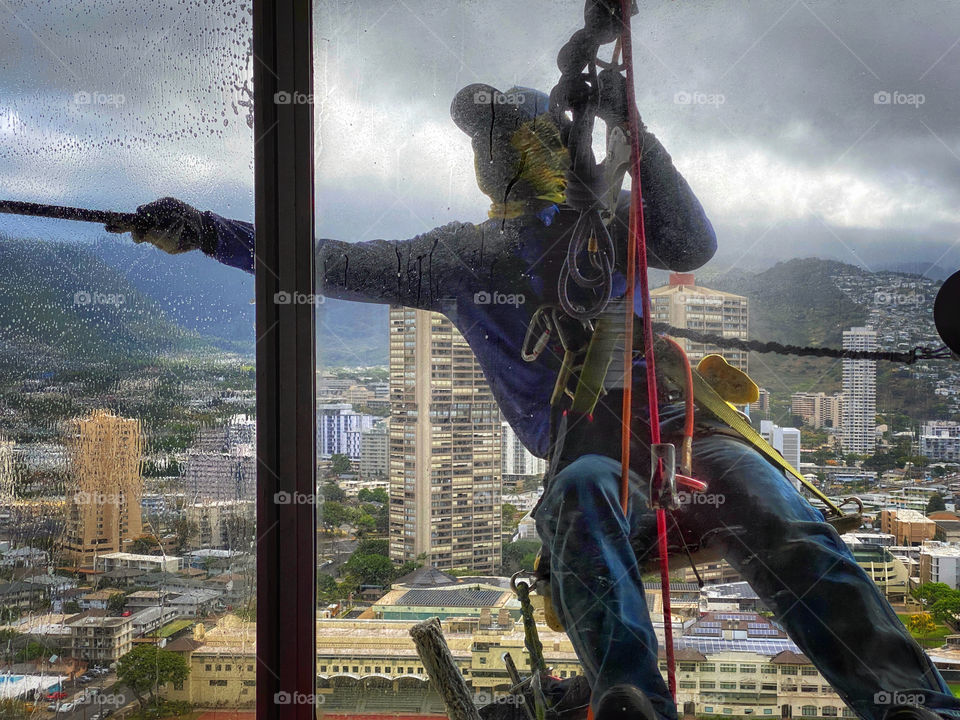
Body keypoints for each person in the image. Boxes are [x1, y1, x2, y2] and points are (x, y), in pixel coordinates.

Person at [106, 83, 960, 720]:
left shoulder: (608, 225)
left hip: (675, 438)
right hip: (599, 458)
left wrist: (638, 135)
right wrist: (214, 232)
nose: (540, 156)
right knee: (586, 491)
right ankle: (630, 693)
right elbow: (323, 259)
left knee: (770, 502)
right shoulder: (469, 254)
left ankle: (899, 697)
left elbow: (693, 241)